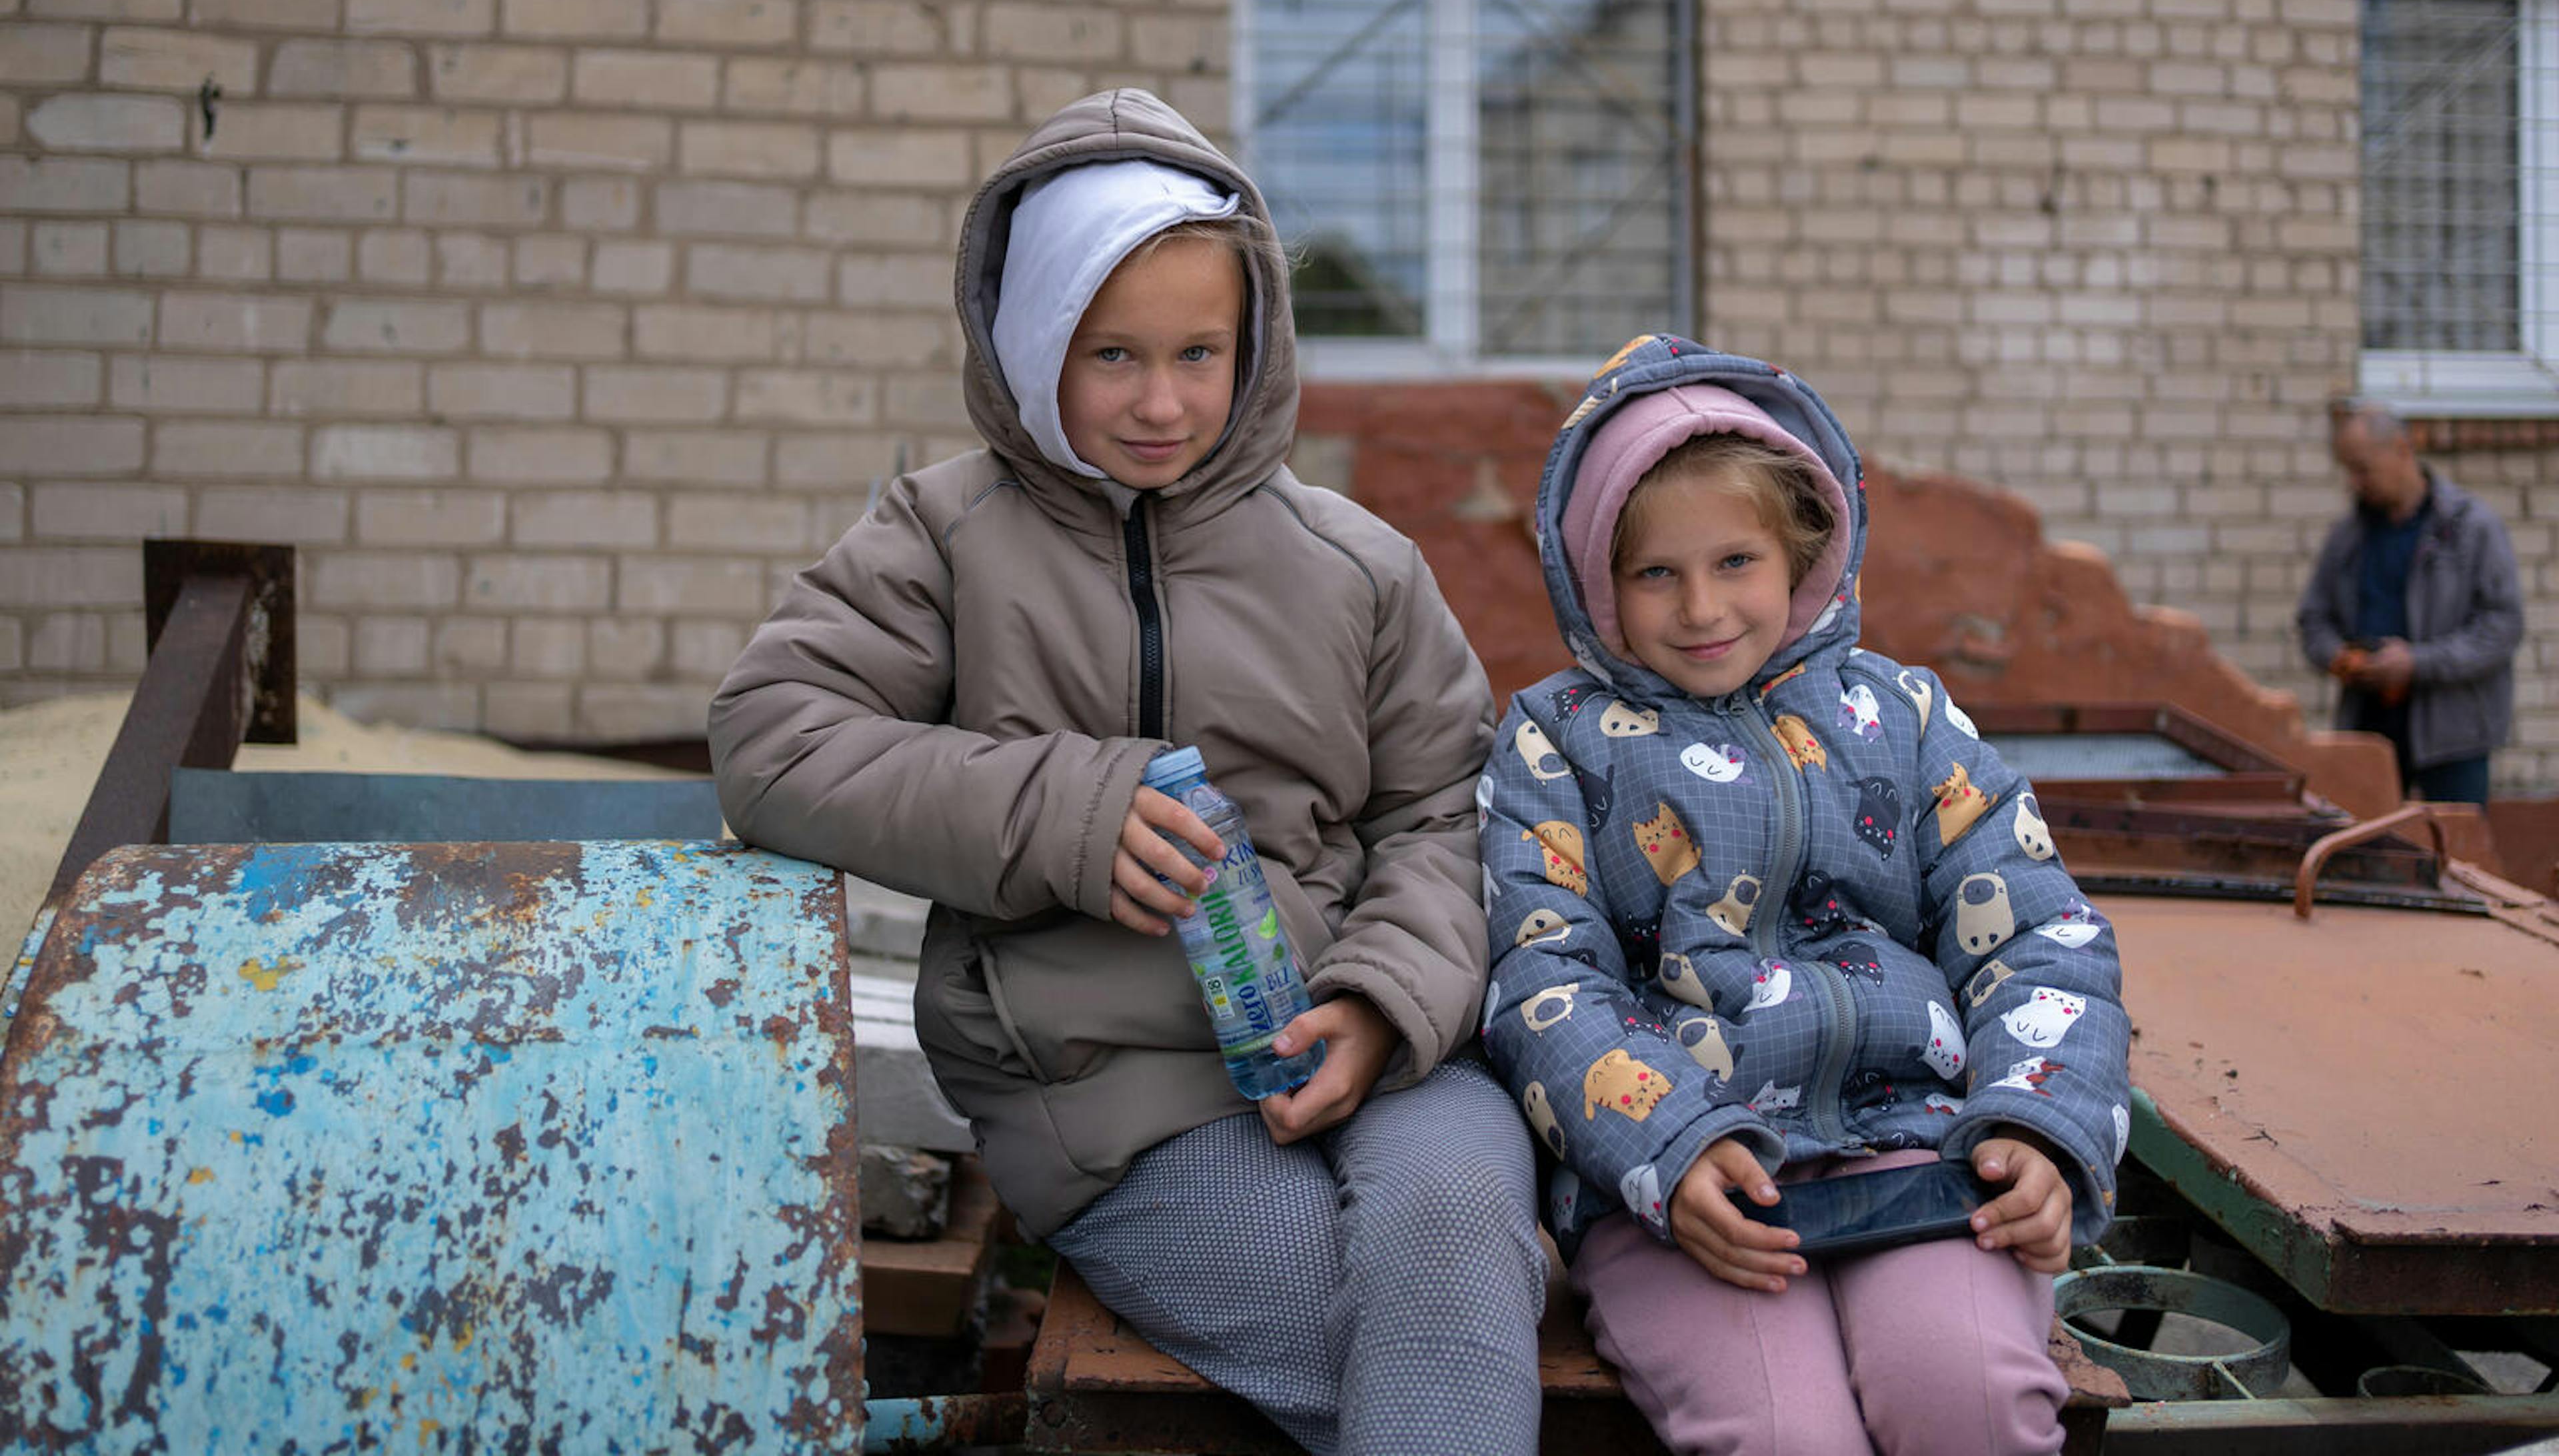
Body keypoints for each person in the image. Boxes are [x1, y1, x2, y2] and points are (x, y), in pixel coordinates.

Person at [708, 88, 1544, 1456]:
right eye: (1112, 356)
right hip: (1104, 1083)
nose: (1163, 402)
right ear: (1035, 346)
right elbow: (773, 736)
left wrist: (1390, 998)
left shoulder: (1359, 563)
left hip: (1382, 1047)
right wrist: (1067, 814)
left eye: (1200, 352)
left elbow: (1442, 806)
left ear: (1255, 341)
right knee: (1387, 1335)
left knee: (1456, 1248)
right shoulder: (945, 536)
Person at [1479, 335, 2132, 1455]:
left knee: (1968, 1396)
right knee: (1786, 1435)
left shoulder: (1906, 719)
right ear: (1594, 579)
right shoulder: (1554, 744)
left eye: (1736, 562)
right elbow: (1544, 977)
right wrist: (1671, 1148)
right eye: (1654, 574)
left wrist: (2039, 1121)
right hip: (1688, 1190)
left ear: (1805, 552)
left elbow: (2039, 934)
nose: (1700, 608)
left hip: (1919, 1158)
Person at [2296, 400, 2525, 805]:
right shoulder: (2348, 536)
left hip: (2453, 736)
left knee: (2456, 854)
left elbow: (2502, 626)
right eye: (2347, 470)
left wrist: (2417, 663)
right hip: (2368, 731)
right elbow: (2314, 619)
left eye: (2363, 468)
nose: (2354, 482)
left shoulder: (2470, 527)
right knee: (2369, 853)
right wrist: (2339, 657)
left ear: (2402, 449)